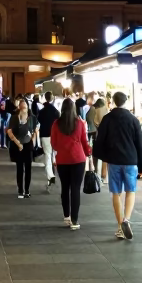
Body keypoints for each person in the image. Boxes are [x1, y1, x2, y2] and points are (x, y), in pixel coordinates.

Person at [93, 91, 142, 240]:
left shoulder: (107, 119)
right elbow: (140, 145)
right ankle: (126, 220)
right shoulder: (133, 120)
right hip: (131, 161)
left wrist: (102, 157)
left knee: (116, 193)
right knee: (131, 191)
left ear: (113, 102)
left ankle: (119, 227)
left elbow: (100, 140)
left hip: (114, 161)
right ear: (126, 101)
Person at [50, 97, 92, 230]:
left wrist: (62, 148)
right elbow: (84, 141)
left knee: (65, 187)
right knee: (75, 189)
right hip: (78, 159)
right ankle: (75, 220)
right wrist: (88, 152)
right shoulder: (79, 123)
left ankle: (66, 216)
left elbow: (53, 143)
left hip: (62, 160)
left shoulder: (56, 124)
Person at [7, 97, 40, 198]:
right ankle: (21, 190)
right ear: (19, 107)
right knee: (20, 168)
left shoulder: (32, 118)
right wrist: (18, 144)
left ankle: (27, 190)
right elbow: (9, 132)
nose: (24, 106)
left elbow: (36, 130)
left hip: (28, 145)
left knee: (28, 168)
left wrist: (33, 141)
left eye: (25, 104)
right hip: (18, 145)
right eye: (22, 104)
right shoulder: (14, 118)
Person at [38, 92, 61, 187]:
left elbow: (39, 121)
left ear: (45, 98)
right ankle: (55, 171)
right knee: (54, 154)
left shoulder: (42, 111)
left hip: (45, 135)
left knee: (47, 155)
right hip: (55, 135)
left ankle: (50, 175)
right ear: (52, 98)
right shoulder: (56, 111)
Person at [87, 97, 108, 180]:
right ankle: (103, 174)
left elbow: (88, 118)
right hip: (100, 134)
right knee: (104, 154)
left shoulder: (93, 109)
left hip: (94, 133)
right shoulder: (102, 110)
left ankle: (95, 170)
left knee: (95, 154)